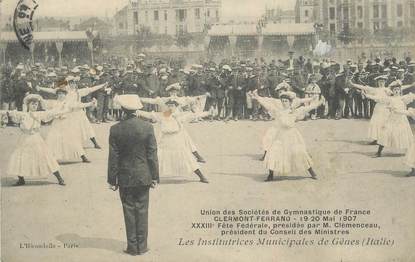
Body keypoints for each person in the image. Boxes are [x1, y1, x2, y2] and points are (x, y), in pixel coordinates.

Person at [107, 94, 159, 256]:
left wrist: (112, 179)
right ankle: (142, 246)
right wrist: (155, 176)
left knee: (129, 210)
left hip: (125, 176)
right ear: (137, 110)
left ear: (122, 110)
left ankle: (132, 247)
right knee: (142, 210)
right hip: (144, 175)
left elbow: (113, 156)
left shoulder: (115, 129)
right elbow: (152, 154)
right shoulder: (147, 127)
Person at [252, 91, 323, 181]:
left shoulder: (295, 111)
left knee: (299, 152)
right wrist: (258, 98)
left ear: (290, 102)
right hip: (280, 135)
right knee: (274, 152)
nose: (284, 103)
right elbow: (267, 105)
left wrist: (319, 102)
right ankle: (270, 175)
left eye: (286, 101)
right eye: (283, 101)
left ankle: (312, 172)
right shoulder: (278, 111)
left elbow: (308, 108)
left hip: (292, 135)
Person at [137, 99, 210, 183]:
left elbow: (195, 115)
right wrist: (138, 111)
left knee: (187, 157)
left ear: (176, 107)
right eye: (168, 105)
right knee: (158, 157)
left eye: (172, 105)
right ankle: (151, 177)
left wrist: (208, 113)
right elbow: (151, 115)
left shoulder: (181, 115)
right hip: (165, 140)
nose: (170, 107)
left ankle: (201, 176)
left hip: (176, 139)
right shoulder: (165, 114)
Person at [1, 94, 66, 186]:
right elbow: (9, 113)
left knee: (46, 157)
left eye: (36, 104)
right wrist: (7, 114)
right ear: (28, 105)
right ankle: (21, 179)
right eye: (32, 104)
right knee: (20, 157)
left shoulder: (40, 114)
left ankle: (59, 178)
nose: (34, 106)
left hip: (36, 138)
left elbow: (52, 113)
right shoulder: (23, 114)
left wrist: (64, 110)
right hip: (24, 138)